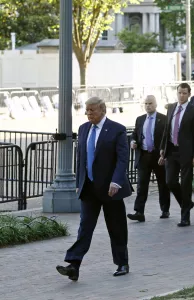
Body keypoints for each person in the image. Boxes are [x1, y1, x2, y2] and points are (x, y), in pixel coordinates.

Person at [56, 97, 132, 280]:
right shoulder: (83, 129)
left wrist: (116, 182)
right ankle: (74, 265)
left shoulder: (117, 130)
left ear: (103, 110)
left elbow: (122, 160)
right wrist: (78, 184)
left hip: (110, 189)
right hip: (89, 189)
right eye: (87, 110)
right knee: (85, 228)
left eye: (92, 110)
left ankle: (122, 263)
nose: (89, 113)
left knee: (116, 228)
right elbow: (80, 158)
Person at [159, 83, 194, 227]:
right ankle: (187, 203)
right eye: (179, 93)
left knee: (185, 184)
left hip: (187, 153)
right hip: (171, 151)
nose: (181, 95)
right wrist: (162, 149)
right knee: (170, 181)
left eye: (184, 93)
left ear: (189, 94)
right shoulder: (171, 108)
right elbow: (167, 129)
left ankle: (185, 217)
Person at [127, 95, 170, 222]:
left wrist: (165, 154)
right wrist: (133, 141)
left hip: (158, 156)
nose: (148, 106)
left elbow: (167, 138)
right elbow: (135, 133)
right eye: (146, 103)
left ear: (156, 104)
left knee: (162, 184)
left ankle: (165, 209)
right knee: (141, 185)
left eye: (150, 103)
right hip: (144, 155)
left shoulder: (163, 119)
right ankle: (139, 212)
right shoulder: (140, 119)